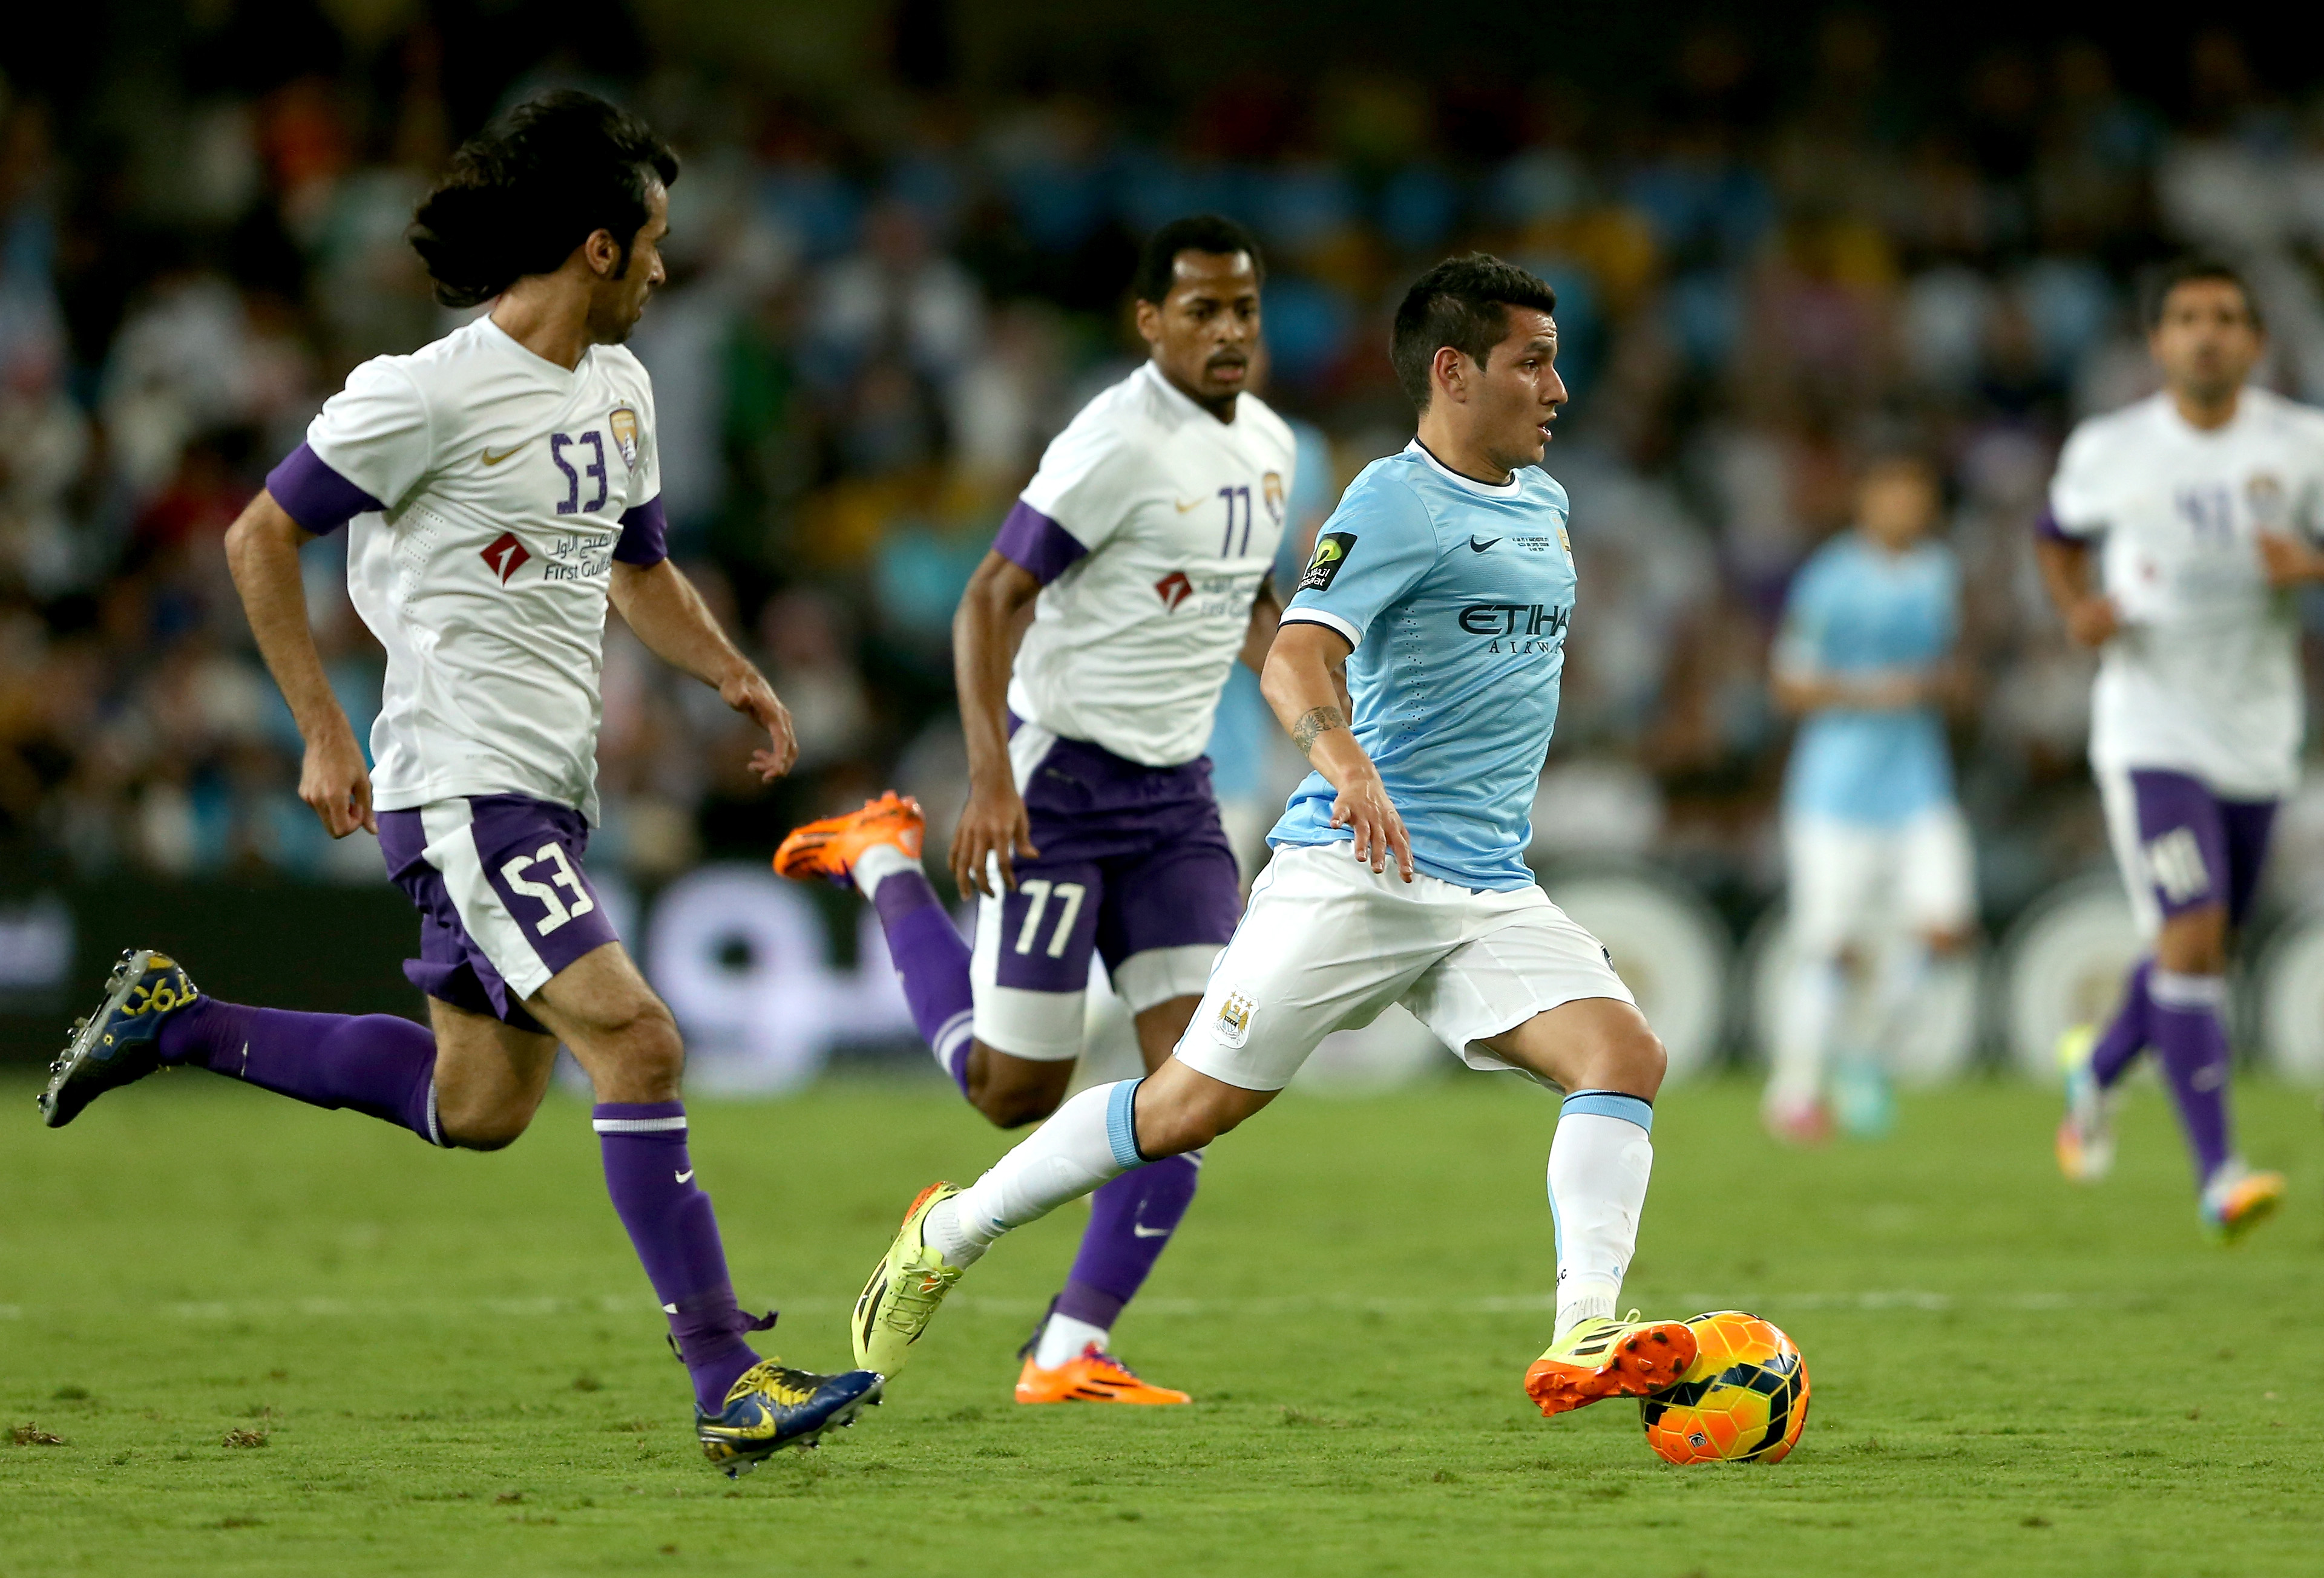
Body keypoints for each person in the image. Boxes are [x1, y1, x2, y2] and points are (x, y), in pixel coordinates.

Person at [33, 92, 880, 1472]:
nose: (666, 269)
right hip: (464, 790)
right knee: (640, 1040)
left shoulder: (621, 390)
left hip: (549, 790)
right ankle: (728, 1375)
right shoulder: (419, 394)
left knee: (477, 1105)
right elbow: (259, 536)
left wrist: (730, 670)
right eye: (655, 241)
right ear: (599, 248)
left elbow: (639, 567)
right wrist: (324, 730)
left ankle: (175, 1023)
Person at [844, 254, 1698, 1419]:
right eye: (1533, 363)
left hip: (1487, 887)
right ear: (1454, 372)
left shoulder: (1543, 505)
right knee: (1182, 1109)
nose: (1558, 389)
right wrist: (1346, 762)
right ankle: (947, 1233)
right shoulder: (1393, 501)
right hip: (1355, 875)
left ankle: (1586, 1331)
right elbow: (1297, 652)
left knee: (1624, 1055)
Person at [773, 215, 1295, 1406]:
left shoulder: (1266, 445)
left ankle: (1068, 1345)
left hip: (1174, 797)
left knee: (1195, 1085)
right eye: (1203, 310)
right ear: (1151, 322)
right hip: (1060, 783)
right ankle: (882, 861)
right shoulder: (1112, 442)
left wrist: (1325, 724)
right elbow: (989, 598)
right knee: (1012, 1093)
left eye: (1245, 309)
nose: (1229, 331)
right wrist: (992, 779)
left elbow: (1250, 600)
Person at [2040, 257, 2324, 1240]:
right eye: (2190, 318)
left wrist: (2312, 565)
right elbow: (2055, 536)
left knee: (2197, 946)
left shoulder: (2303, 443)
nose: (2208, 333)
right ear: (2159, 341)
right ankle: (2220, 1174)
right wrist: (2079, 610)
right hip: (2150, 726)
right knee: (2194, 928)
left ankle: (2098, 1065)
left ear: (2256, 341)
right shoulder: (2112, 448)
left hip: (2258, 733)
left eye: (2227, 318)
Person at [1764, 453, 1974, 1144]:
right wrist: (1872, 692)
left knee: (1944, 929)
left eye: (1918, 497)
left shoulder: (1939, 573)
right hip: (1835, 792)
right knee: (1829, 945)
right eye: (1895, 495)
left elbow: (1956, 668)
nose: (1907, 510)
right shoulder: (1831, 579)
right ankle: (1794, 1090)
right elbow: (1789, 684)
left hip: (1919, 784)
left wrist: (1947, 686)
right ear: (1868, 501)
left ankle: (1865, 1054)